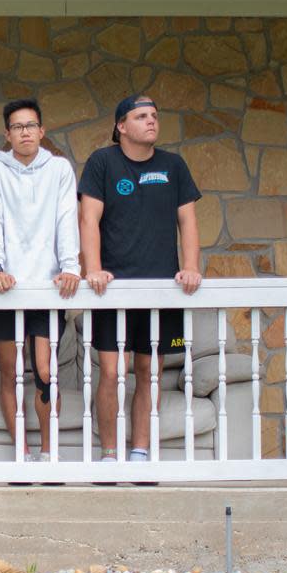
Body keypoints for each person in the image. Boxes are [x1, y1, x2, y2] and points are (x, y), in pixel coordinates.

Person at [78, 94, 203, 463]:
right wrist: (93, 268)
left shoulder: (174, 165)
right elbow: (89, 220)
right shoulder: (102, 162)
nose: (151, 121)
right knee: (113, 371)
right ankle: (109, 453)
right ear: (121, 126)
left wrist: (191, 266)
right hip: (111, 290)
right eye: (141, 116)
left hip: (160, 289)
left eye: (154, 116)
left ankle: (140, 452)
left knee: (149, 370)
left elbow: (189, 222)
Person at [0, 97, 81, 463]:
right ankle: (22, 453)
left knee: (45, 372)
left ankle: (48, 453)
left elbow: (67, 218)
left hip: (47, 288)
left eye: (31, 125)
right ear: (8, 133)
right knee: (9, 373)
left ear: (42, 130)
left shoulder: (59, 170)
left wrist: (71, 266)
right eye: (17, 127)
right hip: (8, 288)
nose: (25, 132)